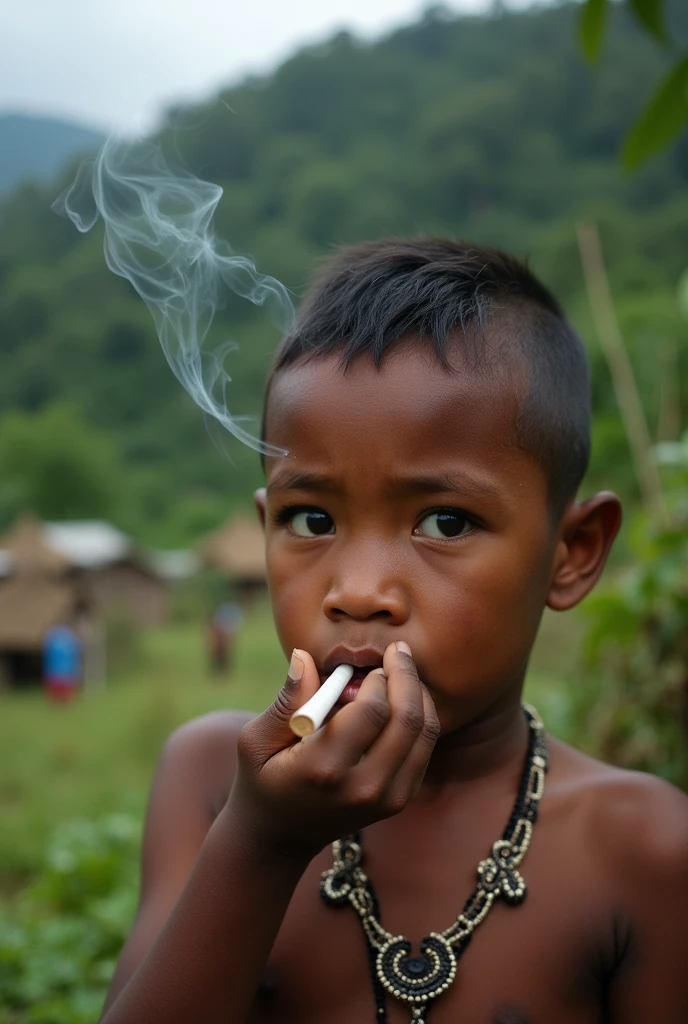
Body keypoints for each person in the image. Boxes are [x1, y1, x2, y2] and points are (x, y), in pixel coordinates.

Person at [98, 240, 688, 1024]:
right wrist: (259, 846)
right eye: (310, 519)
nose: (358, 591)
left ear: (570, 555)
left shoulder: (643, 847)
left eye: (446, 521)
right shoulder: (211, 783)